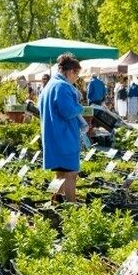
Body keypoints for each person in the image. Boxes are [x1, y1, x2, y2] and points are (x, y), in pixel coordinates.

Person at [38, 53, 84, 202]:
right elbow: (68, 111)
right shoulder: (62, 87)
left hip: (52, 138)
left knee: (59, 174)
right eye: (77, 75)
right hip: (65, 138)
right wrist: (79, 107)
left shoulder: (49, 86)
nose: (76, 79)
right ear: (71, 72)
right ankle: (71, 210)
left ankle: (53, 203)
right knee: (71, 174)